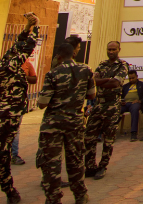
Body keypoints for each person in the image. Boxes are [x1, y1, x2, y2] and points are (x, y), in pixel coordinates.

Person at [0, 13, 39, 204]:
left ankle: (10, 191)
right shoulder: (13, 65)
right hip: (6, 119)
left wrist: (26, 28)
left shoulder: (3, 64)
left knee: (3, 158)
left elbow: (18, 46)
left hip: (2, 118)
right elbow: (27, 46)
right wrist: (34, 27)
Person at [36, 43, 94, 204]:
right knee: (75, 160)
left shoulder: (53, 74)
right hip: (75, 122)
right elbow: (91, 94)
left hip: (53, 125)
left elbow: (42, 103)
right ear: (73, 54)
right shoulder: (86, 70)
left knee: (51, 163)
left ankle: (53, 198)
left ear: (58, 57)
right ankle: (80, 195)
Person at [83, 41, 129, 179]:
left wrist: (101, 81)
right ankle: (90, 166)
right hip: (98, 104)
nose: (111, 52)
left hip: (112, 105)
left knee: (108, 139)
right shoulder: (102, 64)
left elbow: (116, 83)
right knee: (89, 136)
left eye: (114, 49)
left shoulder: (123, 65)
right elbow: (93, 81)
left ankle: (103, 166)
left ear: (119, 50)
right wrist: (107, 80)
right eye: (109, 49)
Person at [0, 58, 37, 165]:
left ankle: (13, 155)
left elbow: (34, 79)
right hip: (2, 105)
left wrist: (22, 77)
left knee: (15, 130)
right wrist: (7, 78)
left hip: (18, 104)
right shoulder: (4, 66)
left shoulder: (27, 64)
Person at [120, 69, 143, 141]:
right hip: (125, 104)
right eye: (130, 78)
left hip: (135, 103)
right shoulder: (125, 86)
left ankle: (133, 133)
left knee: (135, 110)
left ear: (137, 76)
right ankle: (111, 131)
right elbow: (120, 96)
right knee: (116, 110)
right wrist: (121, 101)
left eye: (133, 78)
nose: (131, 80)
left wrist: (139, 101)